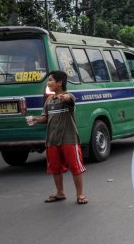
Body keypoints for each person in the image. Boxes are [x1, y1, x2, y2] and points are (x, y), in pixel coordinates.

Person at [26, 70, 88, 205]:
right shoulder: (49, 100)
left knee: (75, 167)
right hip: (52, 140)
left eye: (50, 80)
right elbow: (46, 118)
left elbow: (69, 100)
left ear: (59, 83)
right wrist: (36, 120)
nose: (48, 83)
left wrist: (63, 98)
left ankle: (80, 195)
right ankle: (60, 193)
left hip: (69, 139)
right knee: (55, 168)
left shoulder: (68, 96)